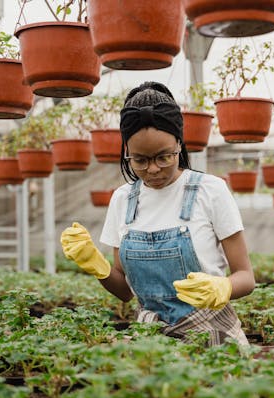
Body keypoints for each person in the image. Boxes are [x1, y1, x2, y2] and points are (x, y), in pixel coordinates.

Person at [60, 81, 255, 346]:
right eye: (140, 160)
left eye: (164, 157)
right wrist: (95, 263)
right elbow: (125, 292)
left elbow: (246, 276)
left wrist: (225, 287)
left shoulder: (210, 191)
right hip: (151, 340)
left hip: (213, 338)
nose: (152, 169)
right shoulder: (123, 200)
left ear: (179, 144)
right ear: (126, 152)